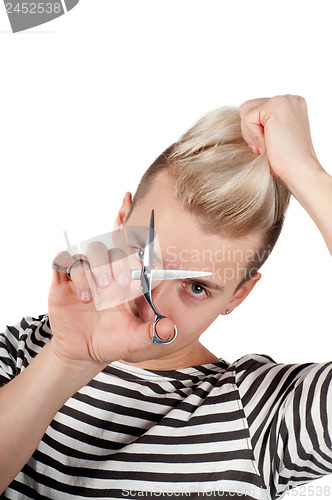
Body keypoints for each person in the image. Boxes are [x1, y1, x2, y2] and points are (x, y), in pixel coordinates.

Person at [0, 95, 331, 499]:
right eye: (144, 253)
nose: (148, 300)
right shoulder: (21, 354)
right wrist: (66, 361)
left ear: (239, 295)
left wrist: (306, 172)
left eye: (195, 287)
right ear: (121, 222)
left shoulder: (261, 415)